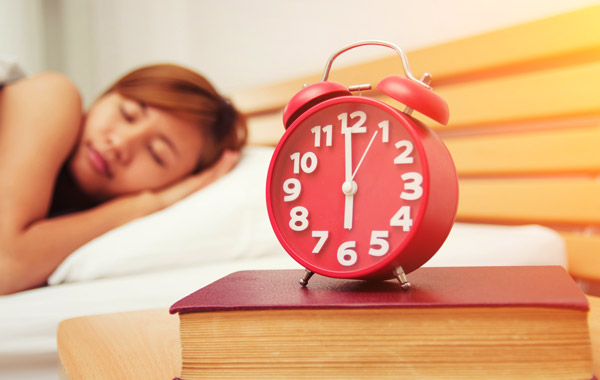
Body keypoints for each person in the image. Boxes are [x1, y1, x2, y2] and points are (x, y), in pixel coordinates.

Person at [0, 63, 247, 295]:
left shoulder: (72, 213)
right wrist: (148, 203)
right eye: (127, 114)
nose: (119, 143)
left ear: (174, 182)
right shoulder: (52, 96)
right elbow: (7, 264)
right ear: (108, 94)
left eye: (156, 154)